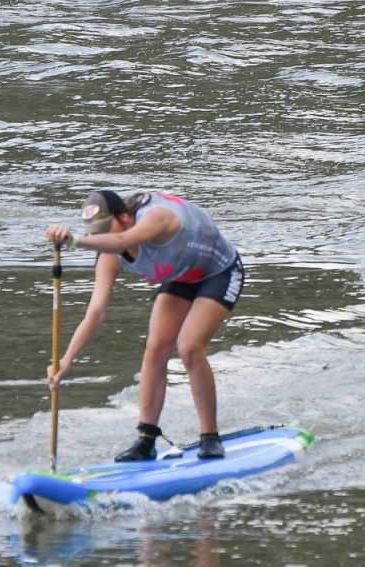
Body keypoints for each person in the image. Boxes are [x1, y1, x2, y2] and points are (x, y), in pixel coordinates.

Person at [44, 190, 245, 462]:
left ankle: (210, 438)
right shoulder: (109, 256)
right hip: (181, 276)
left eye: (106, 228)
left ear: (125, 217)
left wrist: (74, 241)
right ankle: (146, 440)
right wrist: (65, 361)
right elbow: (95, 313)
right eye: (95, 232)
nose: (101, 237)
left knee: (189, 347)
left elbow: (123, 240)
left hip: (219, 271)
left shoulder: (157, 218)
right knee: (155, 348)